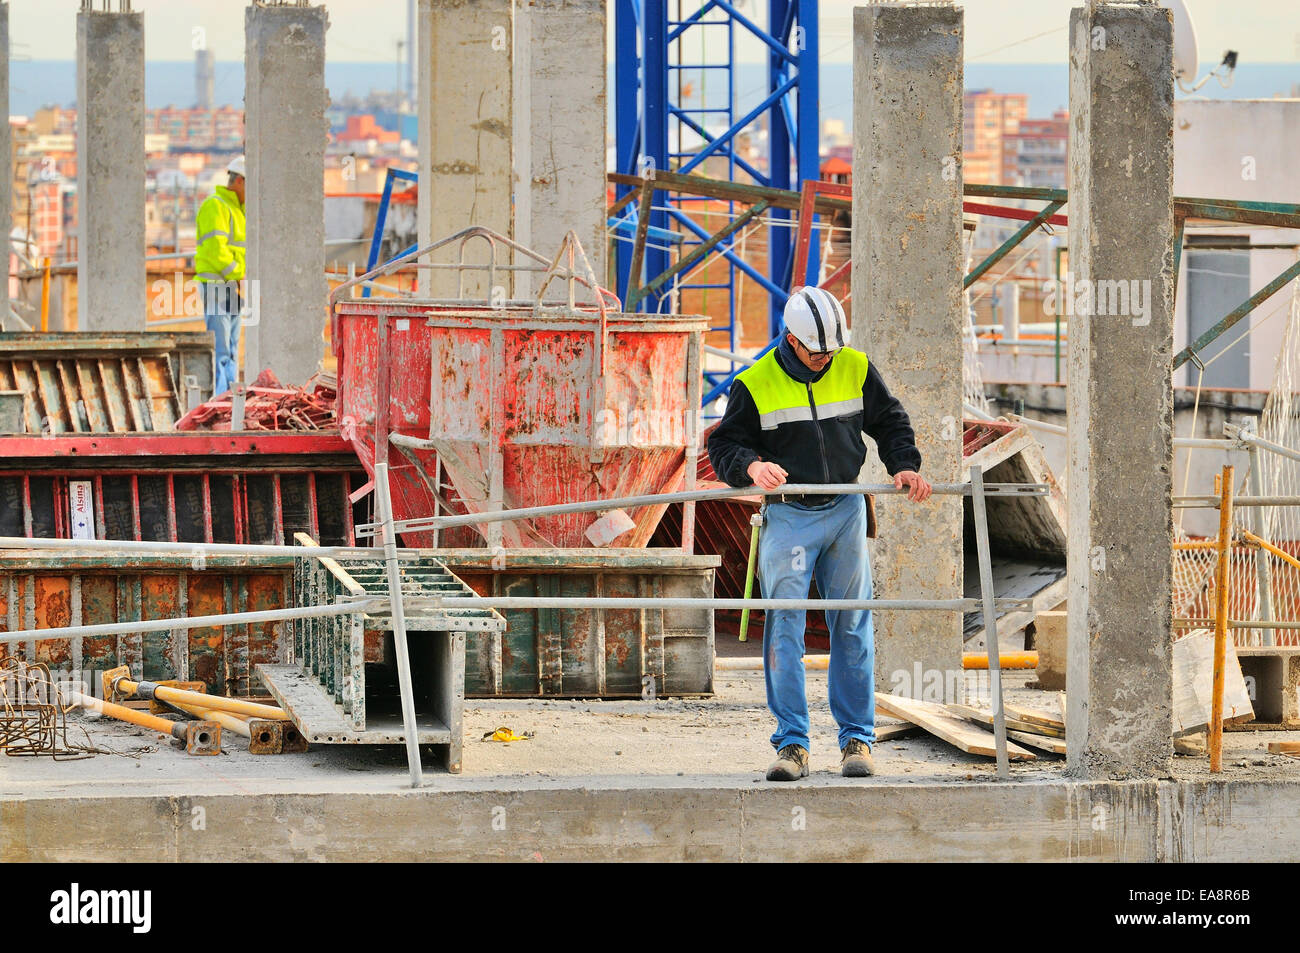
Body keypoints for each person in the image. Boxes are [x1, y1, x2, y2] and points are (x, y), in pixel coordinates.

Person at [707, 286, 932, 781]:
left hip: (846, 507)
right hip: (788, 515)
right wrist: (752, 466)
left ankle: (857, 740)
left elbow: (890, 420)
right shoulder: (755, 383)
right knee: (784, 628)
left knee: (852, 624)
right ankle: (792, 745)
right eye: (816, 353)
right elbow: (723, 445)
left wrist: (904, 465)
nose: (826, 360)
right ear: (791, 339)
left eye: (831, 351)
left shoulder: (853, 365)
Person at [195, 155, 247, 395]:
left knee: (233, 345)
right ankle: (221, 397)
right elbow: (217, 250)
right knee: (222, 346)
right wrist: (239, 274)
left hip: (232, 286)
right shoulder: (216, 205)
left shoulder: (238, 210)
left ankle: (230, 395)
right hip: (217, 284)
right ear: (239, 181)